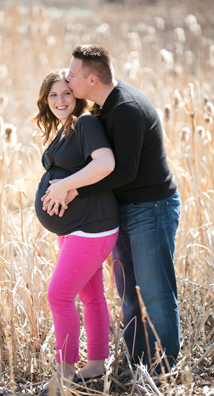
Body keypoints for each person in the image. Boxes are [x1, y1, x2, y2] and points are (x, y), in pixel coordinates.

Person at [44, 44, 181, 373]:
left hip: (151, 208)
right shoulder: (103, 107)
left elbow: (123, 172)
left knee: (154, 290)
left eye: (73, 74)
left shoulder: (127, 109)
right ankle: (138, 362)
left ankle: (163, 369)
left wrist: (71, 187)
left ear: (92, 79)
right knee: (128, 290)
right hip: (126, 209)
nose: (67, 77)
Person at [33, 69, 120, 384]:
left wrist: (64, 186)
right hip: (76, 229)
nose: (60, 100)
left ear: (76, 95)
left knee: (58, 296)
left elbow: (105, 164)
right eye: (53, 95)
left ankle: (65, 372)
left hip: (92, 227)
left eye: (66, 93)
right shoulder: (64, 128)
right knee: (92, 297)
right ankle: (96, 364)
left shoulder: (86, 123)